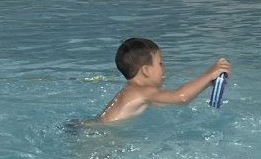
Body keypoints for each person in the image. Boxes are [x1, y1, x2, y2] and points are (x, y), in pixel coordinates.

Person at [90, 37, 229, 124]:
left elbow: (173, 101)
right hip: (102, 138)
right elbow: (181, 97)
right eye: (160, 63)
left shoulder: (132, 91)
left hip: (94, 129)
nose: (164, 68)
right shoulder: (142, 91)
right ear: (146, 70)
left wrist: (206, 83)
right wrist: (209, 74)